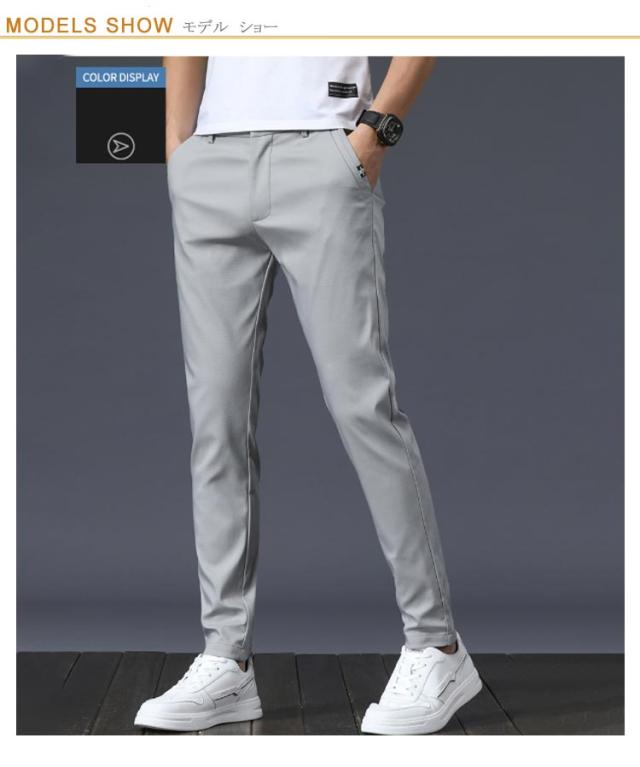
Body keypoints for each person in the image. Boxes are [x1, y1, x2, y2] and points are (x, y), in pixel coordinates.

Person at [134, 56, 481, 735]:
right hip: (210, 159)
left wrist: (376, 131)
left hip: (323, 148)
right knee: (216, 422)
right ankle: (225, 659)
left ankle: (437, 646)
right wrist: (179, 148)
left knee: (363, 407)